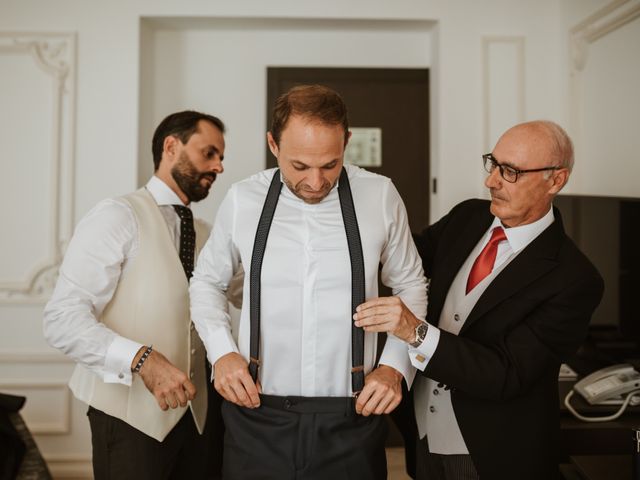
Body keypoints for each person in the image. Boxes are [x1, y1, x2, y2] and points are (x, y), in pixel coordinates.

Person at [189, 84, 427, 479]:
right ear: (273, 144)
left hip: (352, 419)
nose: (316, 182)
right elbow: (207, 282)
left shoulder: (380, 195)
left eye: (330, 165)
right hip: (256, 416)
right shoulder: (242, 199)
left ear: (346, 142)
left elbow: (411, 284)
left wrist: (394, 367)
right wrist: (222, 353)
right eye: (300, 166)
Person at [353, 120, 604, 480]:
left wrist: (415, 332)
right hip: (420, 435)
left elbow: (504, 374)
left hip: (493, 454)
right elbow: (402, 267)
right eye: (493, 163)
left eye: (511, 171)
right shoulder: (467, 217)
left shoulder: (575, 279)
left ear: (556, 180)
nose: (491, 181)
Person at [43, 110, 228, 479]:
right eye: (209, 153)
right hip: (131, 423)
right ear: (171, 147)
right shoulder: (116, 216)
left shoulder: (210, 233)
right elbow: (62, 319)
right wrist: (143, 359)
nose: (219, 167)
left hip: (201, 423)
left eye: (222, 157)